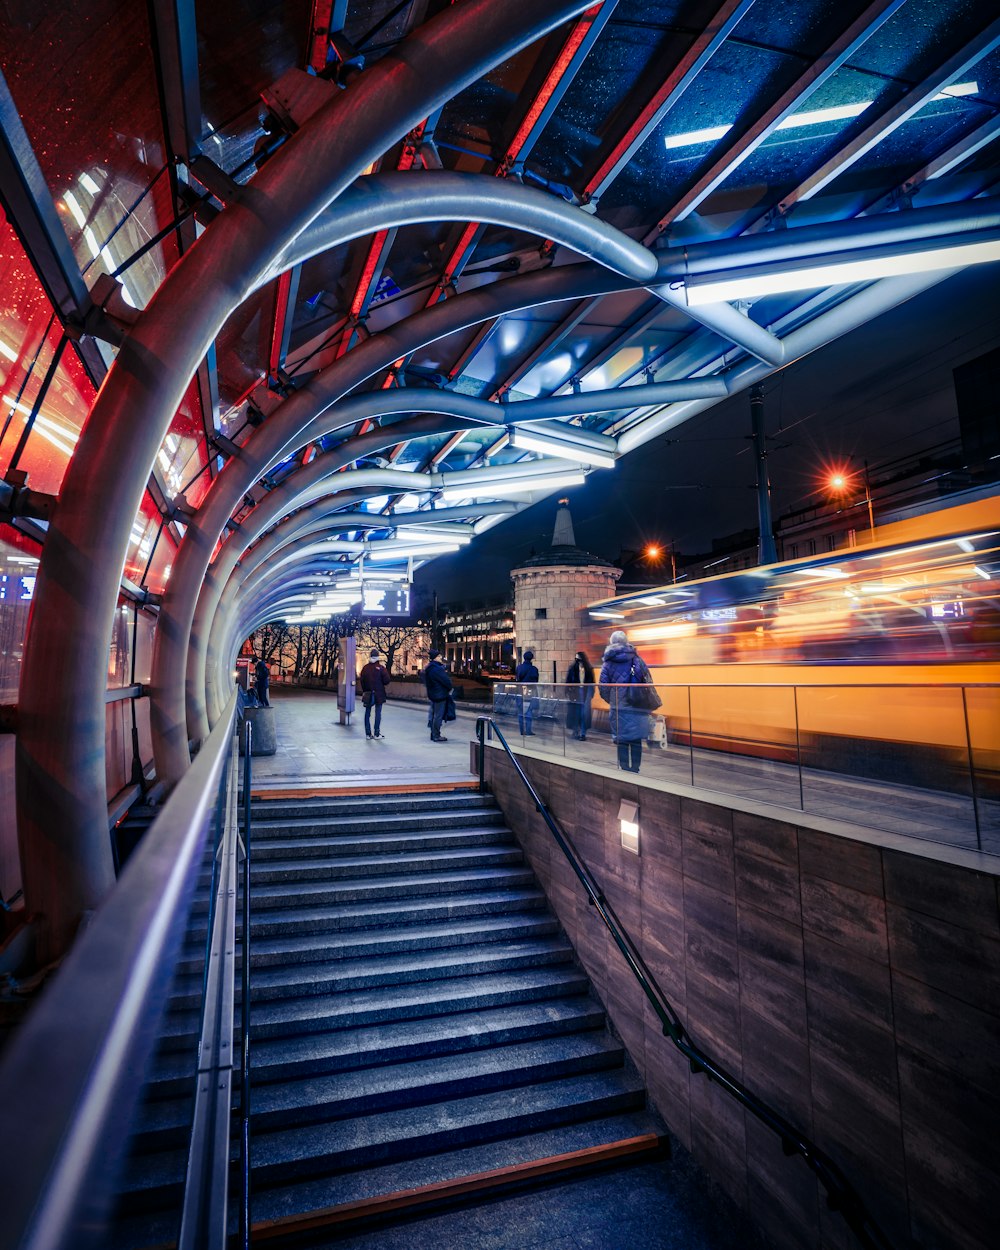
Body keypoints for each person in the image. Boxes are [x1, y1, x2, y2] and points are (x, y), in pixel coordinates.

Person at [599, 630, 652, 774]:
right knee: (636, 739)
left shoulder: (608, 663)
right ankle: (635, 768)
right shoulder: (637, 659)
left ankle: (624, 768)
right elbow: (647, 680)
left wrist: (613, 700)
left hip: (618, 707)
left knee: (622, 739)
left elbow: (603, 688)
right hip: (636, 705)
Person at [359, 650, 391, 739]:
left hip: (368, 694)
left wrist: (366, 690)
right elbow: (387, 680)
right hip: (379, 694)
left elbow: (362, 681)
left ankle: (368, 734)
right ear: (377, 657)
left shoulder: (365, 668)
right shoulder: (381, 668)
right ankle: (377, 733)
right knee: (378, 713)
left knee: (367, 713)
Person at [565, 649, 595, 740]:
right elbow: (569, 680)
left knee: (584, 713)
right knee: (576, 713)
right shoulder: (572, 668)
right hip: (575, 692)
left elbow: (592, 682)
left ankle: (582, 732)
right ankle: (576, 731)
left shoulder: (588, 669)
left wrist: (591, 693)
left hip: (585, 692)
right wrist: (568, 691)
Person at [424, 649, 453, 742]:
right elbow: (446, 681)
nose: (441, 658)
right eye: (439, 656)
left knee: (434, 714)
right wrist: (449, 688)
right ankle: (436, 735)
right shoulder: (437, 669)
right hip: (439, 695)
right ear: (435, 658)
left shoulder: (430, 668)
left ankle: (433, 734)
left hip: (433, 694)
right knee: (438, 715)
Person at [515, 648, 539, 735]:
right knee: (529, 711)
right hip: (530, 692)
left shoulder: (519, 668)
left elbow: (517, 680)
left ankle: (522, 730)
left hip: (520, 692)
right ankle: (528, 730)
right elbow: (536, 681)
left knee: (520, 711)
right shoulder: (534, 669)